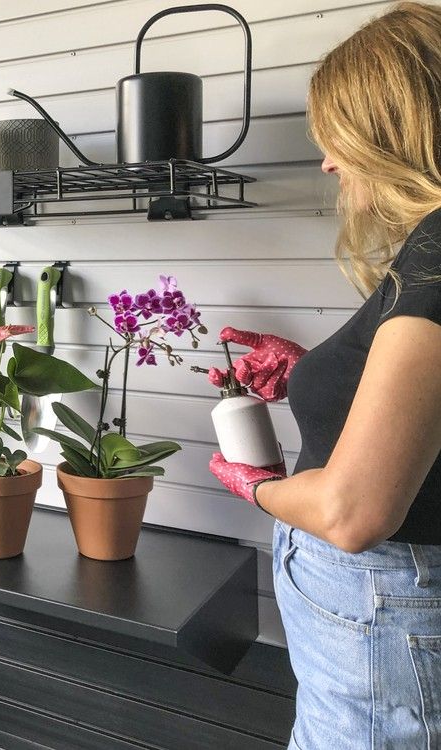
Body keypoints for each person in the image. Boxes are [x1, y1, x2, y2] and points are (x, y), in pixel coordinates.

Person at [206, 3, 441, 748]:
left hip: (383, 613)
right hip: (383, 618)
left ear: (391, 126)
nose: (329, 163)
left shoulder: (438, 254)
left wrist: (255, 487)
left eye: (335, 139)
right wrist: (311, 373)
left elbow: (353, 511)